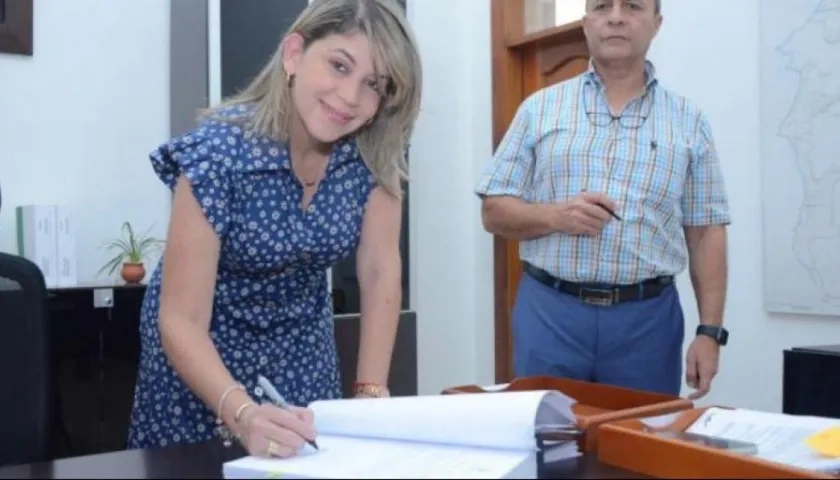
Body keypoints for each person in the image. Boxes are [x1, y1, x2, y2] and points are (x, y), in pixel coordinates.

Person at [127, 0, 421, 459]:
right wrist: (242, 413)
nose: (350, 96)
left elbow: (381, 269)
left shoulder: (372, 155)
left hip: (302, 355)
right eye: (339, 65)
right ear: (294, 54)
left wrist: (370, 396)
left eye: (373, 84)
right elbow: (180, 320)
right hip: (203, 364)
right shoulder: (218, 153)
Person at [475, 0, 730, 399]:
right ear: (586, 23)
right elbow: (493, 211)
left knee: (641, 435)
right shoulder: (538, 109)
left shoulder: (689, 120)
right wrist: (555, 216)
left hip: (647, 322)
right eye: (601, 6)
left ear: (656, 24)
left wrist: (710, 332)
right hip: (551, 313)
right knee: (546, 432)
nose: (615, 17)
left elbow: (706, 230)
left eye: (632, 6)